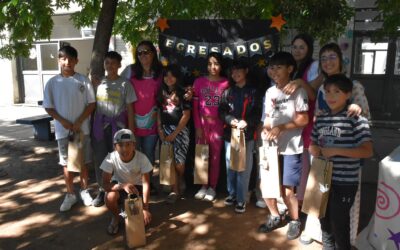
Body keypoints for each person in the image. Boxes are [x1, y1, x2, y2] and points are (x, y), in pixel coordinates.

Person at [309, 74, 373, 249]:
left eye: (337, 92)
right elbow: (313, 144)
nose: (331, 96)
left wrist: (337, 150)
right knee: (323, 219)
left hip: (345, 182)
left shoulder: (357, 120)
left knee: (339, 222)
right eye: (327, 91)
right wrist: (313, 148)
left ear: (348, 94)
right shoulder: (321, 119)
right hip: (322, 179)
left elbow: (367, 151)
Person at [258, 51, 309, 240]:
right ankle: (274, 216)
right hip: (271, 148)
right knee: (266, 186)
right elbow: (267, 119)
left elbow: (303, 119)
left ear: (290, 69)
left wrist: (281, 128)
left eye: (279, 67)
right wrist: (266, 129)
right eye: (272, 67)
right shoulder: (270, 92)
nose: (274, 71)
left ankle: (294, 220)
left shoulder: (298, 91)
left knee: (288, 190)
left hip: (291, 148)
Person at [43, 45, 96, 212]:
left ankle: (85, 190)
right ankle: (70, 194)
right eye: (64, 59)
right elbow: (49, 107)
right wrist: (63, 121)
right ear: (59, 60)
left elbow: (92, 104)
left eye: (71, 59)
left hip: (81, 130)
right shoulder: (52, 83)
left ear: (76, 61)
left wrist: (80, 121)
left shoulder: (83, 80)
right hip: (63, 130)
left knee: (83, 162)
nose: (67, 62)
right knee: (66, 163)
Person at [91, 51, 137, 207]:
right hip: (100, 127)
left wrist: (130, 132)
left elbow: (130, 108)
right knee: (101, 157)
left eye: (113, 63)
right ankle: (103, 189)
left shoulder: (125, 84)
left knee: (119, 159)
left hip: (118, 128)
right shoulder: (98, 83)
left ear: (119, 65)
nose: (110, 66)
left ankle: (121, 190)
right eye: (107, 63)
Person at [219, 60, 262, 213]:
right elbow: (222, 111)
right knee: (230, 166)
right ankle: (232, 194)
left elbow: (258, 113)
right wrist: (230, 120)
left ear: (246, 71)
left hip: (247, 135)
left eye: (239, 70)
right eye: (233, 71)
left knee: (244, 168)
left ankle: (242, 198)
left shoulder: (254, 92)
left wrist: (247, 122)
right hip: (229, 135)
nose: (235, 74)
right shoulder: (227, 92)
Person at [121, 41, 163, 185]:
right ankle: (134, 184)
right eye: (139, 53)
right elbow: (118, 87)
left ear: (153, 53)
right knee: (132, 153)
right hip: (132, 121)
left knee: (148, 154)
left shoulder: (160, 72)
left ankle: (147, 184)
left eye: (146, 52)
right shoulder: (130, 71)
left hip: (152, 122)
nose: (143, 55)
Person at [101, 129, 152, 235]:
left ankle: (133, 209)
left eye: (128, 144)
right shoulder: (110, 158)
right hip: (120, 187)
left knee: (141, 224)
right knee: (109, 196)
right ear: (115, 147)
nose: (125, 149)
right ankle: (116, 217)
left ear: (134, 145)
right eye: (120, 145)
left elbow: (146, 184)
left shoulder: (142, 158)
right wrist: (122, 185)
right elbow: (105, 185)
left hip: (136, 190)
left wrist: (146, 208)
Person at [192, 52, 229, 201]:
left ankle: (212, 187)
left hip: (218, 124)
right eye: (210, 64)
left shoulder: (226, 82)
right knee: (202, 155)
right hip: (202, 123)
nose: (213, 67)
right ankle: (203, 186)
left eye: (216, 64)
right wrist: (198, 127)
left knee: (215, 156)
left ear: (221, 66)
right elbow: (195, 107)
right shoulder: (199, 82)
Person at [156, 64, 191, 203]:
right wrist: (160, 129)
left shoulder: (183, 93)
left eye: (172, 75)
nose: (169, 78)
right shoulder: (161, 93)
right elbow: (158, 111)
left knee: (179, 163)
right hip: (165, 130)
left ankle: (180, 179)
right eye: (166, 75)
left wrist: (175, 133)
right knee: (168, 161)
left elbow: (186, 115)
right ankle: (175, 191)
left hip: (180, 131)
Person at [316, 43, 371, 119]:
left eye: (332, 57)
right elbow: (318, 114)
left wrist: (356, 109)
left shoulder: (354, 86)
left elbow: (365, 116)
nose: (328, 62)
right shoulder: (322, 88)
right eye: (323, 58)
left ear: (340, 60)